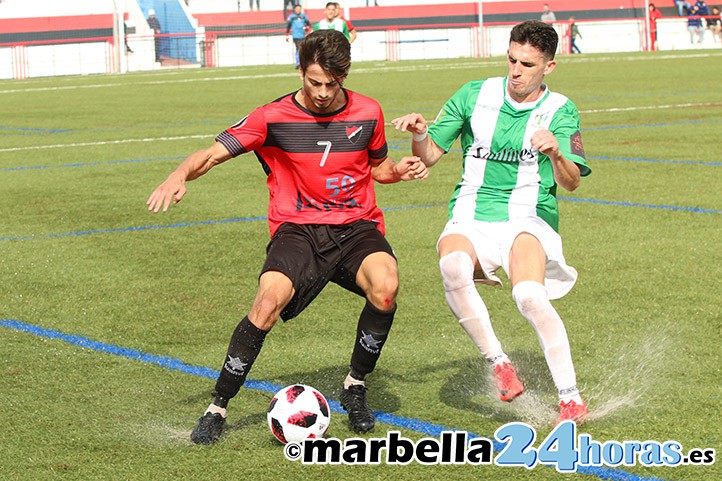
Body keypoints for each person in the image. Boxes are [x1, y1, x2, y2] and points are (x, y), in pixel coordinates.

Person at [147, 29, 428, 445]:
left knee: (386, 287)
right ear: (301, 71)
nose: (322, 92)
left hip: (355, 226)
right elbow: (211, 154)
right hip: (297, 229)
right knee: (267, 302)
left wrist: (400, 171)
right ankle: (217, 406)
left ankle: (354, 386)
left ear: (344, 76)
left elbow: (379, 169)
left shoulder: (369, 112)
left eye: (332, 84)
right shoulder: (271, 117)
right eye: (314, 82)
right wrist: (179, 173)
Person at [391, 20, 592, 425]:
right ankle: (499, 363)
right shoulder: (474, 94)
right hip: (471, 212)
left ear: (548, 68)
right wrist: (419, 133)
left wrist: (556, 153)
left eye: (528, 64)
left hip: (528, 217)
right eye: (511, 60)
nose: (516, 71)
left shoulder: (560, 110)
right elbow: (429, 155)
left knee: (530, 298)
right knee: (451, 265)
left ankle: (571, 398)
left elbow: (570, 182)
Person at [286, 4, 311, 68]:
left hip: (303, 35)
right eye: (297, 9)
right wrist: (287, 34)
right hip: (296, 35)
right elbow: (288, 26)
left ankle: (302, 62)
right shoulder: (292, 17)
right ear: (294, 9)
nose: (298, 10)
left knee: (302, 48)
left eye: (299, 9)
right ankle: (298, 63)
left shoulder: (303, 16)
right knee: (298, 48)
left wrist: (308, 29)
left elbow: (308, 24)